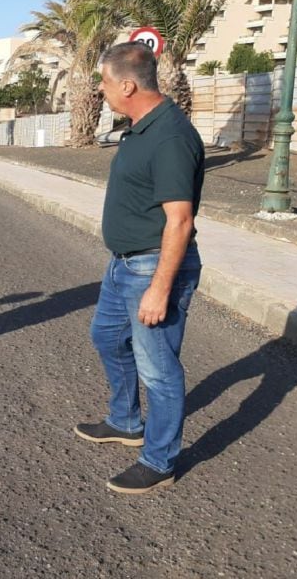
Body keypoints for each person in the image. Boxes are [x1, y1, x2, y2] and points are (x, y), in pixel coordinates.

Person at [74, 42, 205, 494]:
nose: (101, 90)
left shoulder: (170, 136)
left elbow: (180, 220)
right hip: (122, 265)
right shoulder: (140, 128)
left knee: (159, 368)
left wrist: (159, 288)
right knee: (106, 336)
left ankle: (159, 459)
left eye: (105, 83)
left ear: (127, 84)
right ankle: (126, 421)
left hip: (153, 268)